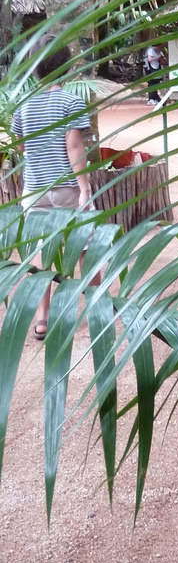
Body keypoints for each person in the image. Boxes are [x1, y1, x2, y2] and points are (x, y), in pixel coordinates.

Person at [10, 39, 97, 340]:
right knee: (85, 242)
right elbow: (74, 147)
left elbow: (21, 146)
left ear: (33, 70)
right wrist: (85, 188)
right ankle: (98, 304)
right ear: (67, 66)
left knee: (40, 251)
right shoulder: (71, 102)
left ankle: (42, 318)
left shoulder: (23, 106)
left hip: (34, 189)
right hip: (66, 187)